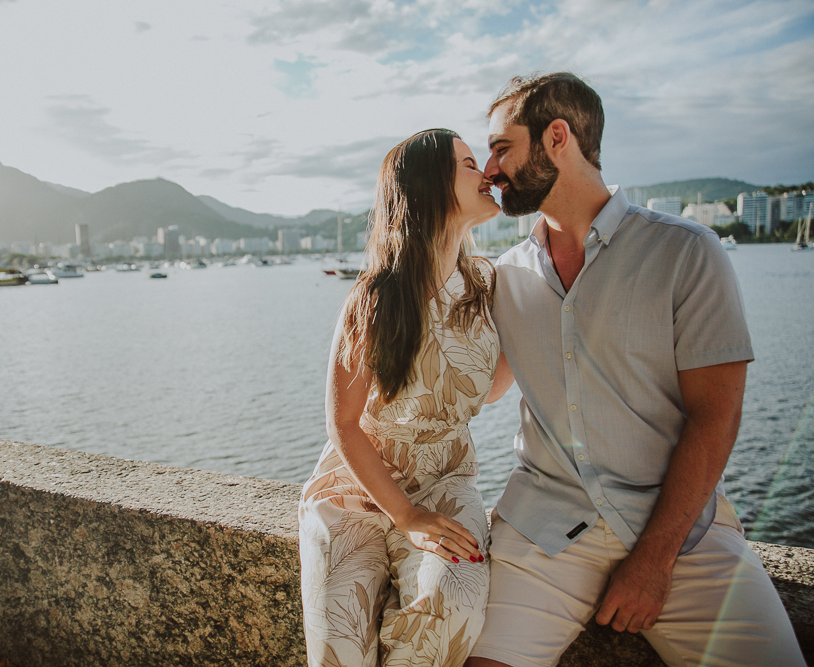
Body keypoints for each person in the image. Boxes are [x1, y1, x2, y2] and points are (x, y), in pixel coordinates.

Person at [466, 72, 805, 667]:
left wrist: (654, 559)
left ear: (557, 138)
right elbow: (481, 391)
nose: (491, 169)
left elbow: (715, 416)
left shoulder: (687, 252)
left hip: (681, 535)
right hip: (542, 528)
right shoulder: (505, 275)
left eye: (501, 148)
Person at [299, 128, 514, 667]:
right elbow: (343, 422)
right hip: (358, 486)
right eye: (469, 164)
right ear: (429, 185)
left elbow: (487, 390)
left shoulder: (488, 286)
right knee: (339, 646)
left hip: (445, 479)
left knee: (453, 605)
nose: (487, 173)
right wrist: (406, 516)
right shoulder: (376, 296)